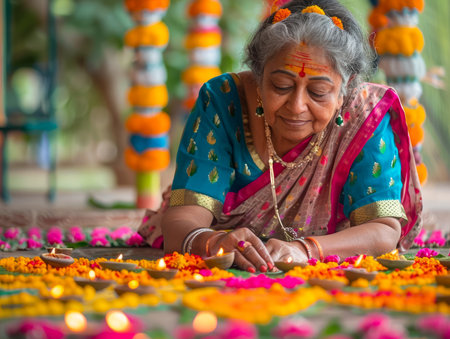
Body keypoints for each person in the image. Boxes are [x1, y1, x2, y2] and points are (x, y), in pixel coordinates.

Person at [138, 0, 422, 273]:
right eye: (281, 85)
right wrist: (211, 242)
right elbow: (182, 223)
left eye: (318, 92)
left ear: (344, 88)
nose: (297, 106)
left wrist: (306, 250)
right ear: (258, 77)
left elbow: (384, 230)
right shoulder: (224, 101)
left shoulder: (364, 116)